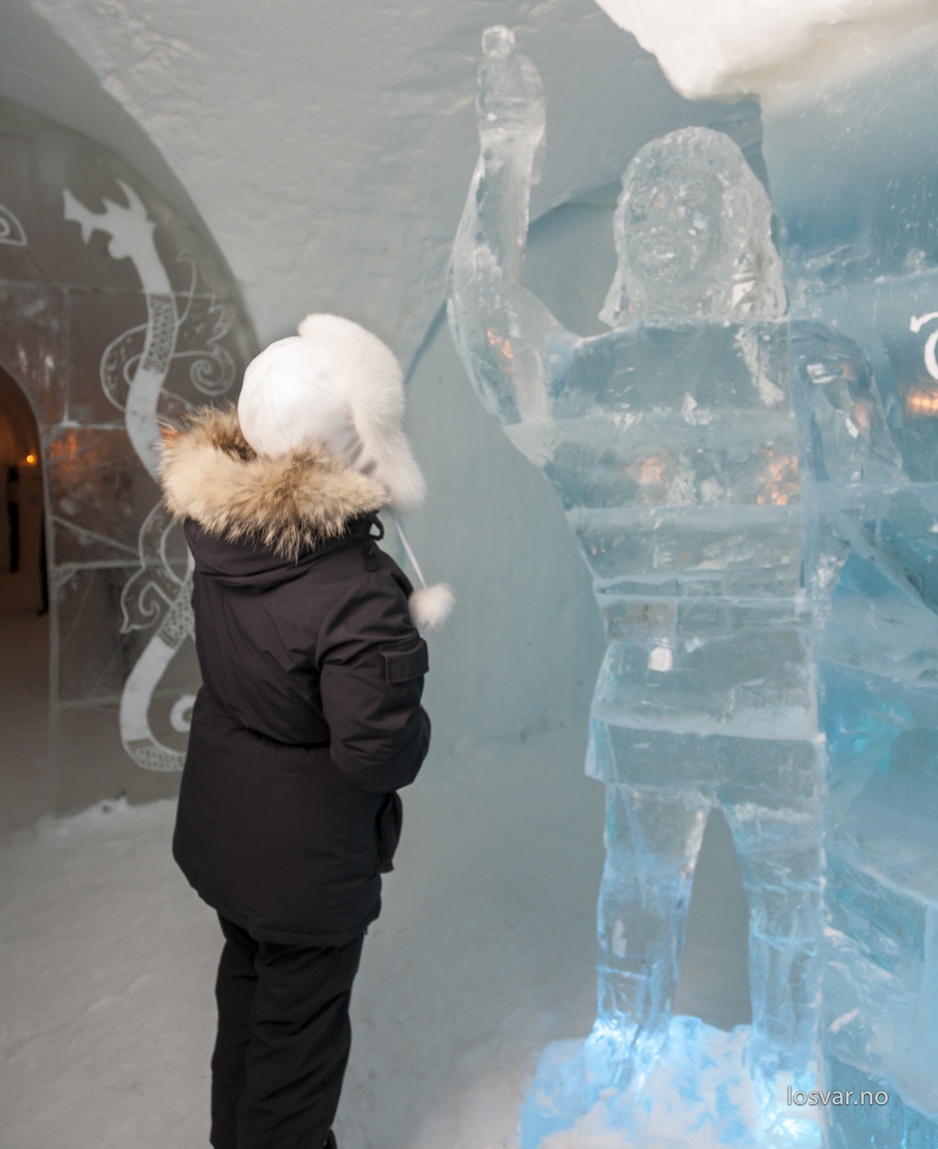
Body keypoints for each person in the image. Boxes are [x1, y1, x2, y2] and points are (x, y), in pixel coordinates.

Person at [448, 26, 823, 1134]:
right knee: (636, 899)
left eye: (691, 209)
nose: (662, 230)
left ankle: (796, 1078)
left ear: (741, 231)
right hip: (655, 700)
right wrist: (503, 158)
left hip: (777, 705)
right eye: (645, 211)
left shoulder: (800, 365)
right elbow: (483, 324)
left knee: (793, 913)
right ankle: (625, 1046)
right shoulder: (591, 378)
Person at [159, 312, 450, 1149]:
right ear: (355, 445)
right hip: (304, 861)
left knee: (250, 1001)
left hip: (231, 830)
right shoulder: (354, 591)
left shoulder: (222, 535)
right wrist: (407, 696)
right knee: (298, 1047)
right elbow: (377, 748)